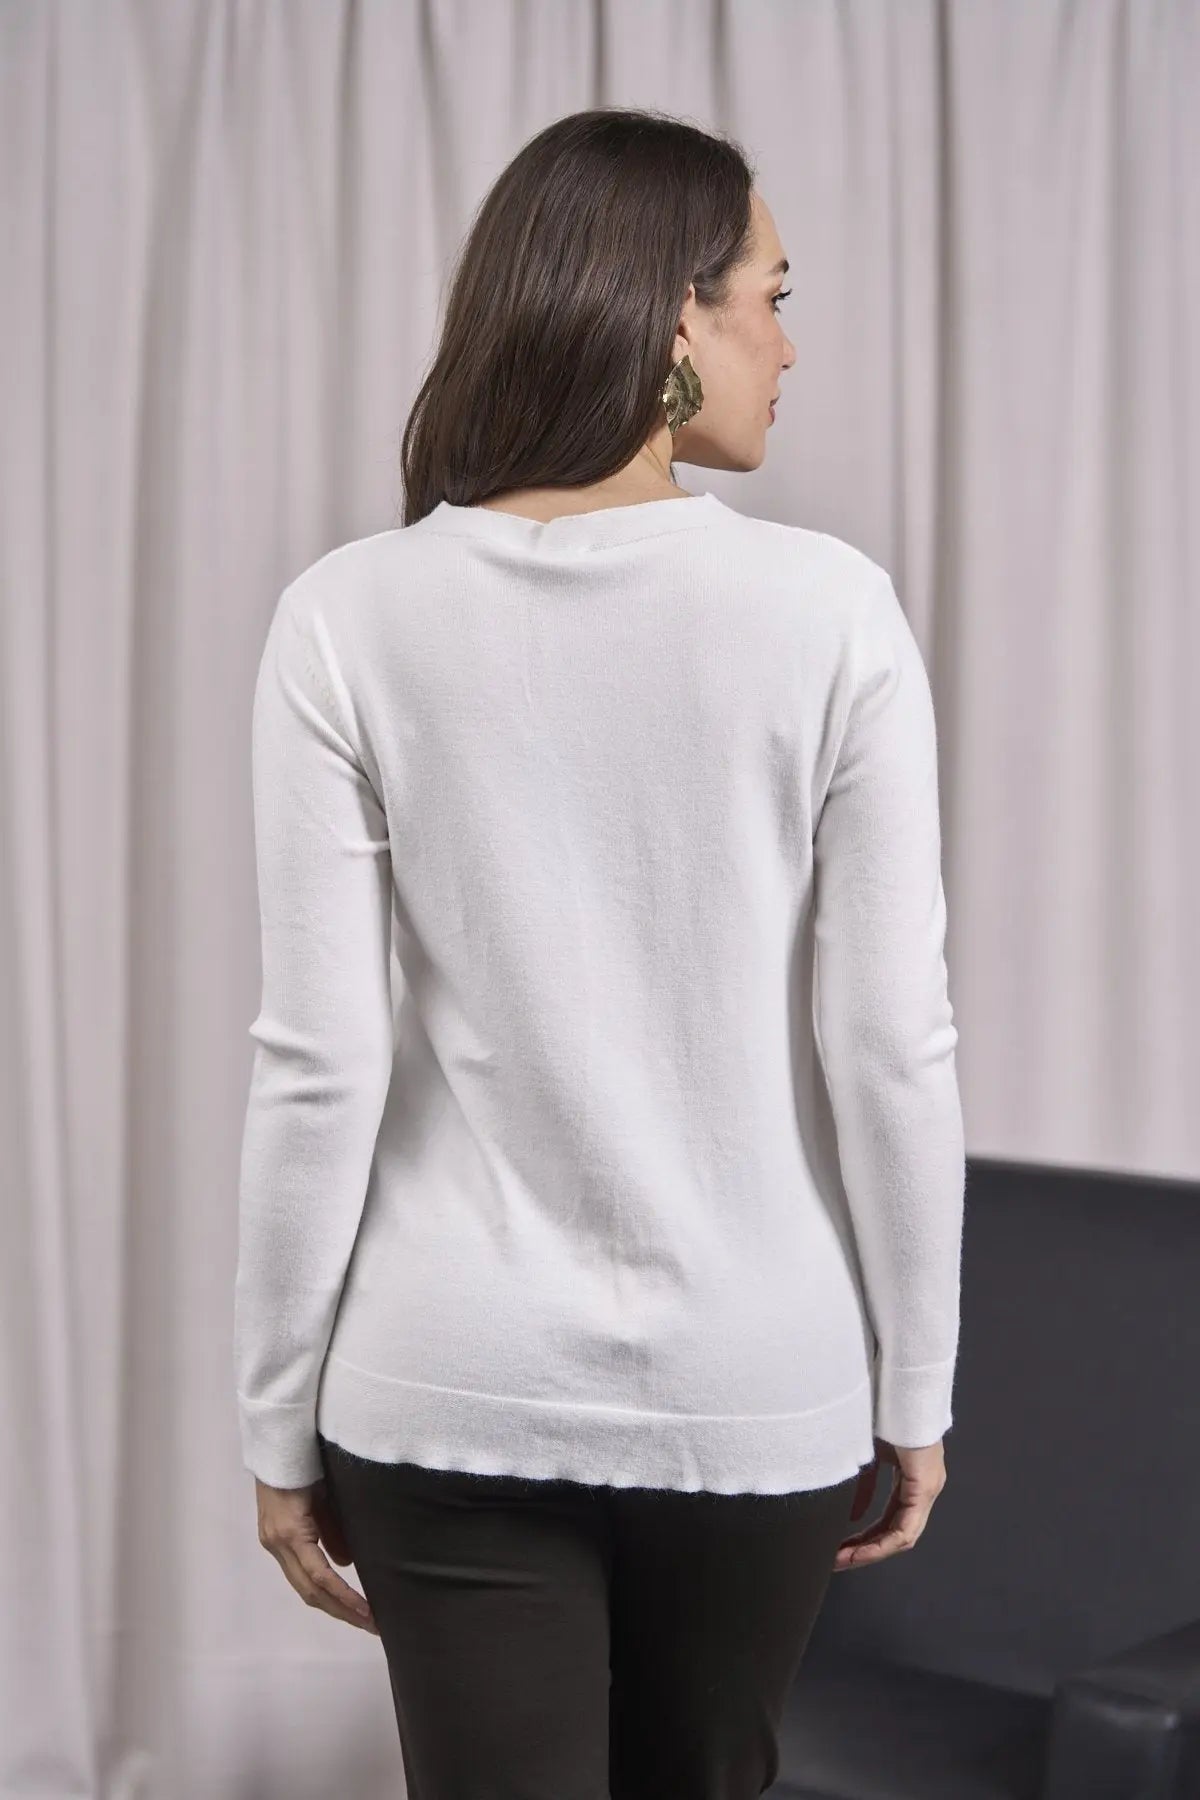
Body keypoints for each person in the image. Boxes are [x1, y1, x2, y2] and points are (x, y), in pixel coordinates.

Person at [235, 105, 964, 1799]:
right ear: (669, 316)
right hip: (757, 1383)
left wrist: (275, 1419)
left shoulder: (349, 615)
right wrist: (915, 1390)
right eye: (770, 297)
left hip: (444, 1380)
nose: (789, 345)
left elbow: (318, 1063)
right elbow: (892, 1046)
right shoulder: (830, 611)